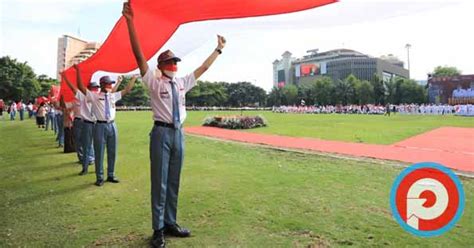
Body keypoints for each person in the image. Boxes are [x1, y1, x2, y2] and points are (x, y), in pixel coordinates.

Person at [123, 2, 226, 246]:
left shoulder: (181, 82)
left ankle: (170, 222)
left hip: (179, 134)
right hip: (161, 134)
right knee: (159, 181)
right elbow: (139, 56)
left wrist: (218, 50)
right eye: (169, 62)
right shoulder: (154, 83)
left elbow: (203, 68)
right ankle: (157, 229)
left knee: (174, 180)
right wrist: (130, 23)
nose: (174, 65)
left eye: (175, 61)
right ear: (160, 66)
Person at [76, 64, 136, 186]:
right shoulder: (95, 96)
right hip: (100, 126)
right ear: (102, 84)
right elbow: (81, 87)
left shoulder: (113, 96)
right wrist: (78, 71)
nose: (110, 86)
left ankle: (111, 174)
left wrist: (133, 78)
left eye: (111, 84)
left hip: (112, 125)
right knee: (99, 152)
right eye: (108, 84)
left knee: (112, 151)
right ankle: (100, 177)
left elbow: (127, 90)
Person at [63, 69, 101, 175]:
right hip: (87, 123)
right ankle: (85, 166)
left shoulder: (99, 96)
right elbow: (74, 87)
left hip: (97, 123)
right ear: (89, 89)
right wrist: (66, 78)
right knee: (86, 145)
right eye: (94, 88)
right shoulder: (84, 96)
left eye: (97, 88)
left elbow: (113, 93)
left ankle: (96, 166)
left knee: (96, 146)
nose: (96, 90)